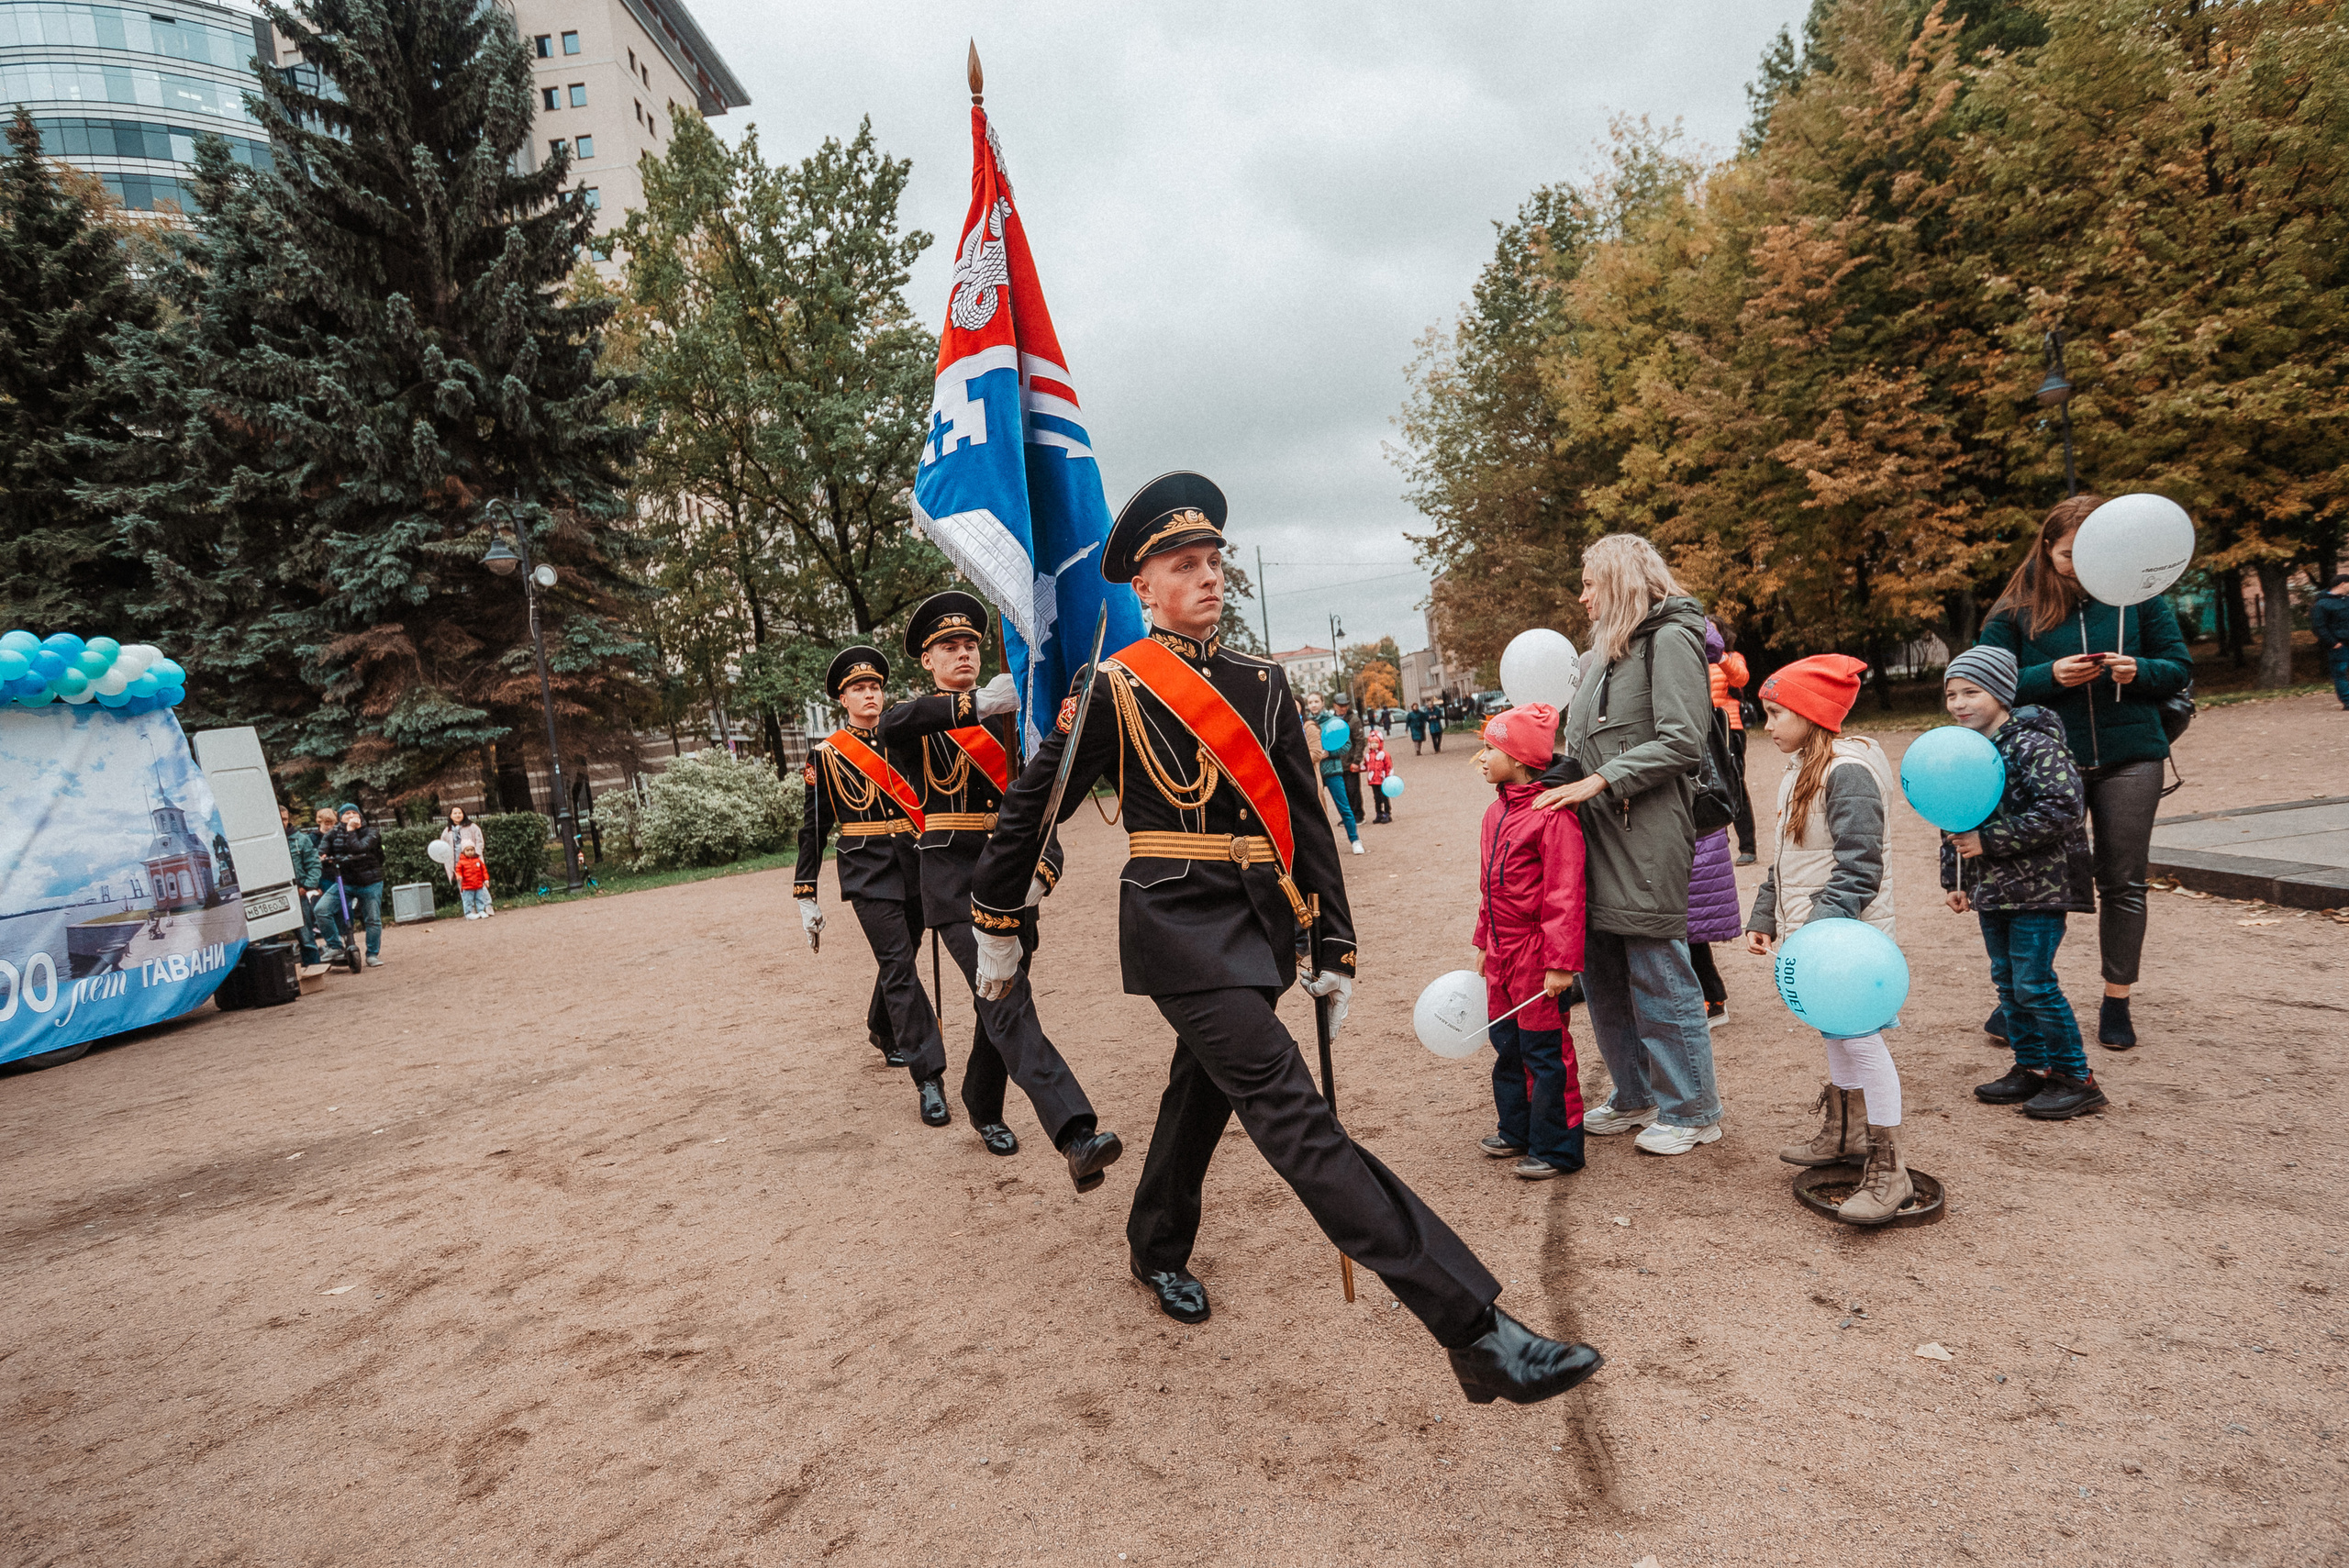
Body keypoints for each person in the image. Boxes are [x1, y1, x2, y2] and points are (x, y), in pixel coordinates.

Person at [971, 471, 1602, 1405]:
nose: (1207, 576)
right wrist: (996, 919)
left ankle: (1154, 1243)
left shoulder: (1260, 682)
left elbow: (1305, 823)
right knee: (1298, 1120)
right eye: (1184, 565)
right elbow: (1035, 804)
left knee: (1201, 1093)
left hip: (1259, 926)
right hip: (1177, 929)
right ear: (1142, 586)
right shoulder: (1113, 685)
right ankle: (1475, 1331)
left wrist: (1332, 947)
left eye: (1214, 560)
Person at [876, 591, 1120, 1185]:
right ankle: (1075, 1132)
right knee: (1008, 1000)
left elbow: (1041, 808)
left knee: (996, 1006)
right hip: (953, 887)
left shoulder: (1017, 720)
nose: (962, 652)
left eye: (970, 644)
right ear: (927, 661)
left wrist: (1044, 870)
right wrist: (976, 703)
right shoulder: (923, 721)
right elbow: (891, 722)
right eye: (948, 647)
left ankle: (981, 1101)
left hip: (1013, 881)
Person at [1976, 494, 2194, 1050]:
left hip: (2132, 755)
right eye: (2069, 554)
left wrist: (2138, 669)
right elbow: (1985, 684)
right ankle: (2022, 997)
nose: (2079, 566)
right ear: (2048, 548)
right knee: (2040, 887)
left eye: (2090, 554)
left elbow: (2178, 669)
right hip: (2049, 763)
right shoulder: (2015, 609)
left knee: (2123, 881)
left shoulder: (2140, 598)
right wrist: (2048, 675)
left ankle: (2116, 999)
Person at [1533, 534, 1722, 1156]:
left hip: (1646, 834)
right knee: (1604, 973)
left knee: (1658, 972)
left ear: (1618, 582)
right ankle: (1634, 1092)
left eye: (1590, 583)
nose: (1582, 596)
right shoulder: (1606, 651)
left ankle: (1693, 1110)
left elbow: (1683, 740)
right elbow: (1587, 746)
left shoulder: (1671, 638)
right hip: (1595, 834)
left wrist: (1600, 779)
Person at [1742, 655, 1912, 1224]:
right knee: (1835, 1032)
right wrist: (1765, 916)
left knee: (1861, 1039)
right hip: (1819, 938)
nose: (1766, 724)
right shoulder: (1802, 769)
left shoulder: (1847, 772)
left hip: (1845, 943)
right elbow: (1787, 860)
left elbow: (1860, 866)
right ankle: (1846, 1132)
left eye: (1776, 713)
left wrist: (1817, 937)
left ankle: (1890, 1169)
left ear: (1811, 714)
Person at [1938, 648, 2105, 1118]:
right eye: (1951, 695)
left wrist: (1988, 840)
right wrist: (1954, 877)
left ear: (2001, 693)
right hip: (1992, 888)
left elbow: (2063, 809)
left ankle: (2076, 1078)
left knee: (2034, 982)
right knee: (2008, 982)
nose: (1959, 703)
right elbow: (1951, 815)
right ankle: (2032, 1066)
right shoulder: (1963, 751)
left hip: (2040, 887)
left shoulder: (2035, 745)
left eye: (1971, 692)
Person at [794, 645, 952, 1128]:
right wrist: (805, 892)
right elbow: (813, 828)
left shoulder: (904, 740)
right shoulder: (827, 755)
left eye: (875, 687)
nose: (870, 695)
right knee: (899, 964)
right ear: (843, 699)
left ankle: (882, 1028)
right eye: (859, 689)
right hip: (866, 871)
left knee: (903, 954)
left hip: (914, 862)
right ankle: (930, 1077)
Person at [1470, 703, 1586, 1181]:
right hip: (1502, 952)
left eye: (1490, 749)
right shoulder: (1494, 812)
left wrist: (1560, 963)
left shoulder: (1552, 817)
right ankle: (1517, 1128)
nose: (1481, 758)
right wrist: (1484, 941)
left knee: (1545, 1050)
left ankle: (1558, 1148)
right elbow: (1489, 886)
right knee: (1507, 1044)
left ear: (1518, 760)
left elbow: (1565, 894)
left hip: (1537, 955)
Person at [1708, 619, 1758, 863]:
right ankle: (1720, 848)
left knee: (1735, 784)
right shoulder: (1696, 659)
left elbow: (1741, 679)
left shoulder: (1732, 657)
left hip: (1730, 728)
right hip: (1707, 728)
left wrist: (1720, 657)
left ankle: (1747, 847)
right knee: (1711, 785)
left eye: (1712, 629)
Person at [1685, 827, 1741, 1027]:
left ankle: (1714, 998)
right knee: (1689, 935)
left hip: (1695, 854)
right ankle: (1710, 996)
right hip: (1693, 851)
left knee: (1692, 935)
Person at [318, 803, 385, 967]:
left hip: (370, 882)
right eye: (346, 813)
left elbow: (359, 848)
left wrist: (350, 830)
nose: (350, 816)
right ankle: (335, 946)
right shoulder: (332, 834)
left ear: (360, 816)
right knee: (321, 910)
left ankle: (372, 954)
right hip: (345, 882)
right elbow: (322, 851)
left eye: (353, 813)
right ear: (340, 817)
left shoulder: (372, 832)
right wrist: (322, 857)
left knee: (372, 919)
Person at [1315, 695, 1364, 854]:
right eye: (1310, 702)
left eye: (1316, 701)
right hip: (1315, 772)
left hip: (1333, 770)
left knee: (1345, 805)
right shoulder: (1306, 723)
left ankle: (1355, 840)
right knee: (1315, 810)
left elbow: (1348, 745)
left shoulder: (1334, 722)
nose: (1313, 705)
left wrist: (1330, 753)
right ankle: (1321, 845)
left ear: (1323, 703)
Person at [281, 805, 324, 969]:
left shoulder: (301, 840)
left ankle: (314, 971)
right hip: (272, 895)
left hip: (297, 894)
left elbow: (314, 865)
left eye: (285, 819)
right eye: (279, 819)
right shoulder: (263, 842)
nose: (282, 822)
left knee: (306, 938)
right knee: (267, 942)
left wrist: (306, 886)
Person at [1332, 695, 1368, 826]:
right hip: (1337, 763)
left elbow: (1360, 742)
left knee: (1353, 791)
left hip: (1350, 762)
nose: (1343, 708)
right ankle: (1347, 817)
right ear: (1334, 705)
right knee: (1342, 793)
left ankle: (1358, 815)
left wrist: (1356, 761)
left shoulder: (1354, 720)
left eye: (1345, 705)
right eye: (1340, 705)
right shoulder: (1332, 720)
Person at [2316, 573, 2349, 711]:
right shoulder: (2322, 604)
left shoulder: (2346, 601)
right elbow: (2319, 626)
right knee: (2340, 672)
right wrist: (2333, 643)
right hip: (2339, 644)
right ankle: (2347, 700)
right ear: (2343, 584)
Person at [1364, 727, 1395, 823]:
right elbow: (1366, 766)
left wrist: (1389, 777)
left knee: (1384, 797)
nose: (1374, 745)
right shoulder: (1368, 756)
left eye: (1376, 743)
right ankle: (1379, 813)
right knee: (1376, 798)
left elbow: (1389, 766)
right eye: (1372, 743)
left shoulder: (1384, 754)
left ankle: (1387, 813)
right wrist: (1357, 768)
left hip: (1382, 780)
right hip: (1373, 780)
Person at [455, 841, 493, 918]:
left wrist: (486, 879)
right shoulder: (461, 862)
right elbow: (458, 870)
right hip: (467, 886)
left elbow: (484, 870)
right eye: (467, 850)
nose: (470, 852)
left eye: (472, 850)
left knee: (480, 898)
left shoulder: (478, 860)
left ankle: (481, 910)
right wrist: (459, 876)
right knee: (468, 900)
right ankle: (468, 913)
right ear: (463, 851)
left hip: (478, 885)